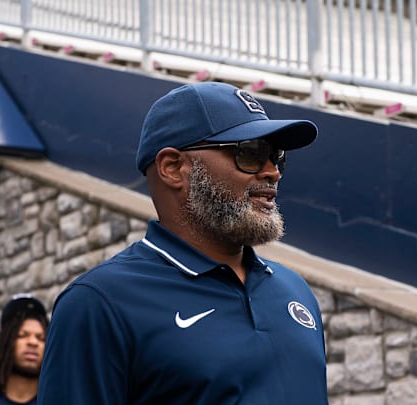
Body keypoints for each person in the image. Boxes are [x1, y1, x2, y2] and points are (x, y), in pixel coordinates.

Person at [37, 81, 328, 404]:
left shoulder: (295, 290)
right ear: (173, 168)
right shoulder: (100, 303)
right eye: (251, 153)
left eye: (276, 156)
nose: (273, 172)